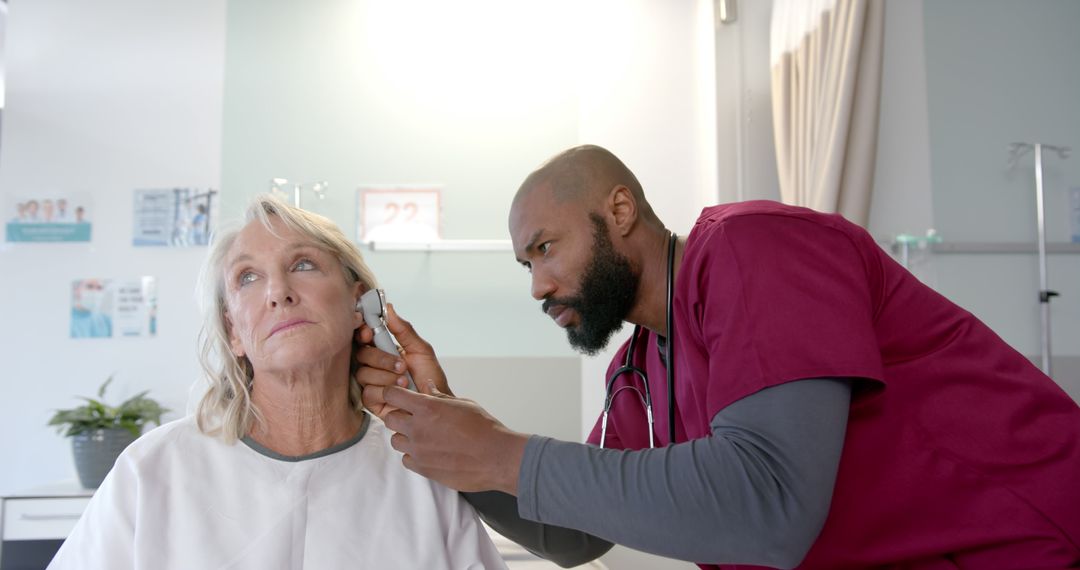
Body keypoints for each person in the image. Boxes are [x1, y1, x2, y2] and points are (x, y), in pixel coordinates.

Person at [356, 145, 1080, 569]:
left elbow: (768, 501)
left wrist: (498, 451)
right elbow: (573, 534)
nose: (540, 285)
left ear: (618, 211)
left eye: (546, 248)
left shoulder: (754, 249)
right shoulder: (638, 373)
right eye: (525, 265)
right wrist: (446, 430)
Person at [50, 194, 506, 569]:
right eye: (248, 277)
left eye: (304, 264)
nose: (277, 292)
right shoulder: (151, 473)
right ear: (234, 333)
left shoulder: (422, 478)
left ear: (358, 304)